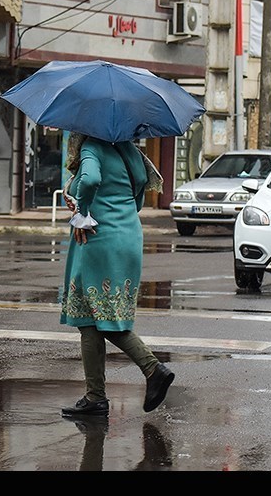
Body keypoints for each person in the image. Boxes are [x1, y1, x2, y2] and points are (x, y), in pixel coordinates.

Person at [59, 132, 173, 417]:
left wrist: (82, 214)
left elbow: (91, 180)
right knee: (99, 315)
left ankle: (152, 368)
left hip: (99, 237)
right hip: (128, 236)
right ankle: (95, 396)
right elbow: (140, 188)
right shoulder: (129, 150)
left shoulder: (92, 147)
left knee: (94, 315)